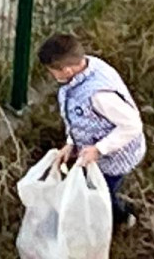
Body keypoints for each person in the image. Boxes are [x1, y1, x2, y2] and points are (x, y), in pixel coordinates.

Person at [37, 33, 145, 227]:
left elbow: (132, 125)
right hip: (94, 150)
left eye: (51, 71)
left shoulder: (99, 95)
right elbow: (78, 119)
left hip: (115, 158)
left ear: (67, 70)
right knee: (95, 189)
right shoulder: (85, 70)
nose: (51, 75)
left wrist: (99, 149)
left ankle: (119, 219)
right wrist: (71, 143)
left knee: (103, 193)